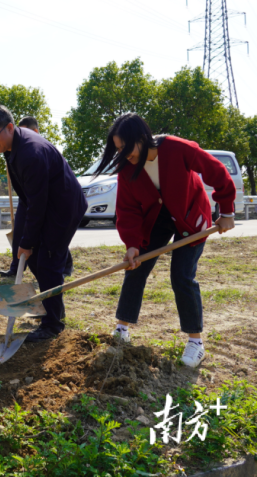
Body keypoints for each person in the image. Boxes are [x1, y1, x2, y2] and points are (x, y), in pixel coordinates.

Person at [94, 113, 235, 367]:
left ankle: (195, 342)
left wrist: (226, 211)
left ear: (141, 138)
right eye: (118, 148)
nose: (124, 154)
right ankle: (122, 329)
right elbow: (127, 209)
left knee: (181, 276)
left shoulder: (177, 148)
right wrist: (133, 244)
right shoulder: (126, 169)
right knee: (135, 267)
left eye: (126, 147)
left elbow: (217, 171)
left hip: (189, 217)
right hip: (155, 218)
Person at [0, 105, 88, 342]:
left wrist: (28, 242)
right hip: (46, 205)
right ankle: (51, 310)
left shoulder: (31, 153)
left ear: (9, 127)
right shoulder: (11, 147)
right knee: (36, 262)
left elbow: (38, 204)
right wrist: (22, 242)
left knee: (48, 262)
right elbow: (28, 200)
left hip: (62, 210)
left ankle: (53, 325)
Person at [0, 116, 74, 280]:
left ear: (35, 132)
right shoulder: (12, 149)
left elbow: (40, 201)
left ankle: (65, 266)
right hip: (29, 196)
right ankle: (16, 266)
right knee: (20, 231)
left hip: (50, 201)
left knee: (51, 239)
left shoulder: (36, 152)